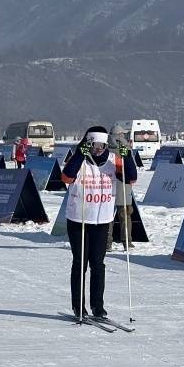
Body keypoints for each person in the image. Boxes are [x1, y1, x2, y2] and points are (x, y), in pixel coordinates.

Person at [60, 126, 138, 319]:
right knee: (80, 263)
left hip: (102, 220)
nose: (98, 149)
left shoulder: (112, 161)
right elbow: (67, 177)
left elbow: (131, 178)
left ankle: (98, 307)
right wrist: (80, 154)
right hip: (79, 219)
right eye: (94, 145)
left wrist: (126, 155)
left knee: (98, 264)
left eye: (101, 145)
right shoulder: (80, 161)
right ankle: (79, 307)